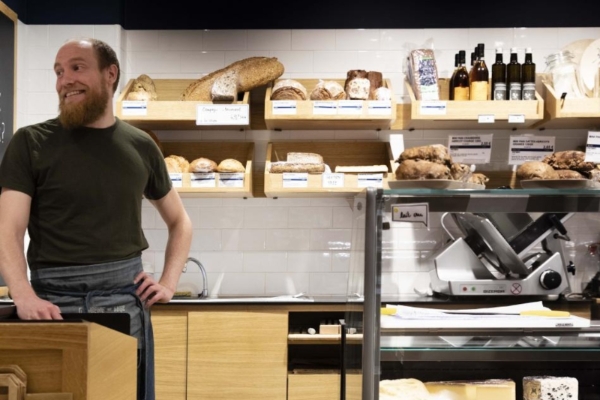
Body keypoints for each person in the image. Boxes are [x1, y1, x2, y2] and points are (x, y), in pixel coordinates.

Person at [0, 38, 192, 400]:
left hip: (123, 301)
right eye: (58, 72)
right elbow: (8, 229)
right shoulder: (30, 143)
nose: (64, 80)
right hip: (51, 305)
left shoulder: (141, 146)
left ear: (110, 74)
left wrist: (168, 281)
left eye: (76, 67)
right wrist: (22, 294)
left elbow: (180, 222)